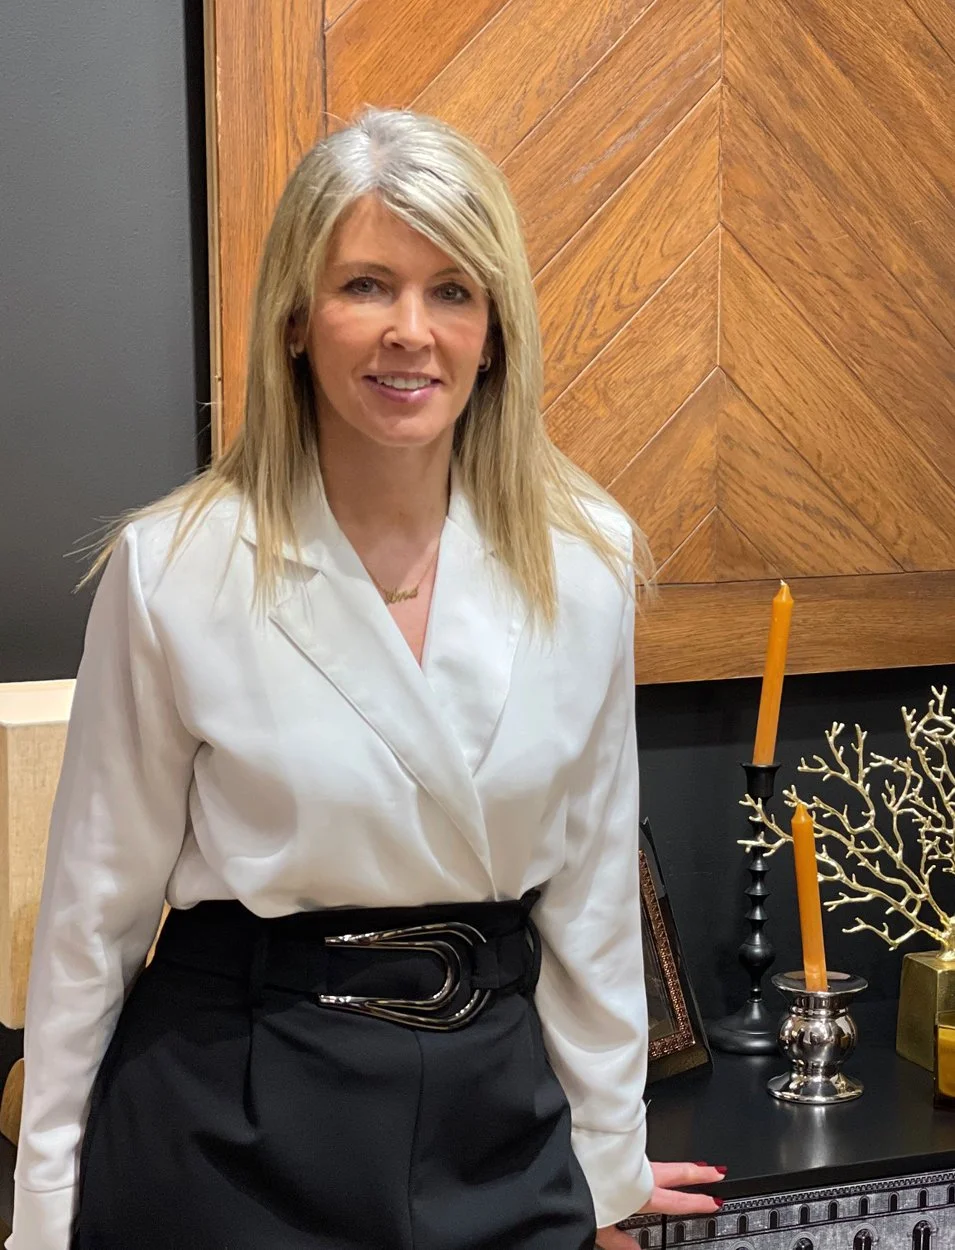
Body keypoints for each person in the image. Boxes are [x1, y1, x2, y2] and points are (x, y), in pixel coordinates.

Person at [9, 107, 725, 1250]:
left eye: (452, 290)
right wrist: (44, 1208)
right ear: (295, 319)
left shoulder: (583, 557)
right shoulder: (175, 569)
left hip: (499, 1117)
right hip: (228, 1113)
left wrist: (606, 1164)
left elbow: (589, 891)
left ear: (495, 331)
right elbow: (95, 916)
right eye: (366, 286)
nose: (411, 332)